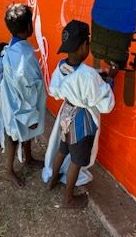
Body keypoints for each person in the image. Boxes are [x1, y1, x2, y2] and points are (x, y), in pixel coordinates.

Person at [42, 19, 116, 209]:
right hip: (82, 123)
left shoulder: (61, 66)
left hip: (66, 114)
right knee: (76, 161)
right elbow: (106, 104)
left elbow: (56, 89)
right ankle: (68, 198)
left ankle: (51, 180)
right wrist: (110, 82)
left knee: (63, 148)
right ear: (85, 46)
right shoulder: (89, 75)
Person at [0, 3, 46, 189]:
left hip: (14, 98)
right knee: (13, 134)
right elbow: (26, 90)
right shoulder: (23, 58)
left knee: (23, 132)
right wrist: (31, 115)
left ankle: (28, 158)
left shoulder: (17, 46)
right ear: (29, 27)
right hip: (20, 103)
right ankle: (8, 171)